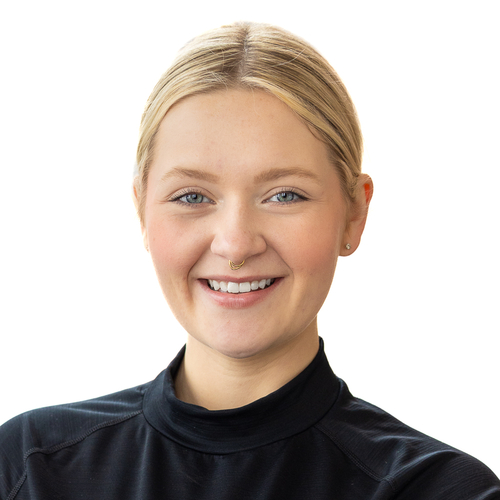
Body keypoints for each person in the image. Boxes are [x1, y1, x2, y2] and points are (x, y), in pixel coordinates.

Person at [0, 21, 498, 500]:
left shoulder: (437, 489)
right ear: (141, 212)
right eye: (192, 197)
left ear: (354, 214)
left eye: (285, 195)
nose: (236, 245)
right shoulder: (29, 469)